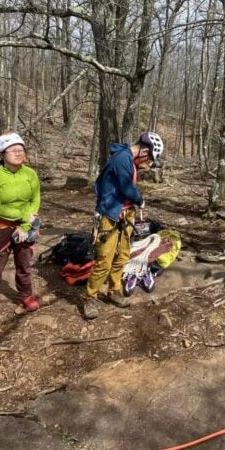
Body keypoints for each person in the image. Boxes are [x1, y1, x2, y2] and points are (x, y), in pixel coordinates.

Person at [82, 132, 164, 320]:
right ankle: (90, 297)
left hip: (125, 213)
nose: (150, 164)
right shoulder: (122, 159)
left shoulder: (129, 161)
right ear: (144, 151)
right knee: (105, 258)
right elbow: (127, 188)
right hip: (111, 215)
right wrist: (140, 200)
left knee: (123, 254)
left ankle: (113, 290)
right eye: (150, 158)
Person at [0, 132, 42, 324]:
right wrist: (23, 217)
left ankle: (25, 296)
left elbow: (35, 199)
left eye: (20, 150)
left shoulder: (30, 174)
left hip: (27, 226)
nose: (18, 153)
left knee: (24, 264)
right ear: (2, 154)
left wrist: (25, 225)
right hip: (1, 227)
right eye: (12, 150)